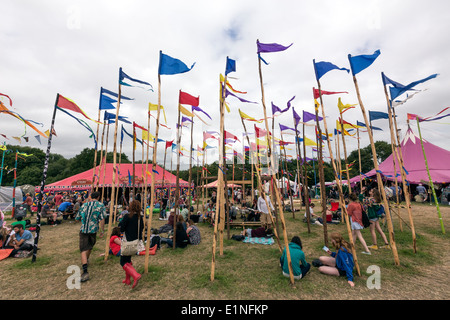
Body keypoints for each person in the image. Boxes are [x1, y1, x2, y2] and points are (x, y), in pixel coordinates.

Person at [74, 191, 106, 283]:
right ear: (99, 197)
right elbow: (102, 218)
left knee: (84, 249)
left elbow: (77, 218)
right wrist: (102, 230)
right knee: (89, 247)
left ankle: (85, 265)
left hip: (84, 230)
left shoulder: (84, 205)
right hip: (93, 230)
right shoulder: (100, 205)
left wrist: (83, 221)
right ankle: (85, 269)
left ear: (91, 197)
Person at [118, 200, 144, 288]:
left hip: (128, 241)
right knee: (128, 260)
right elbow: (142, 227)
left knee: (123, 261)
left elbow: (121, 228)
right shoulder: (140, 217)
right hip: (136, 242)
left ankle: (135, 275)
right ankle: (127, 280)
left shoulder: (127, 216)